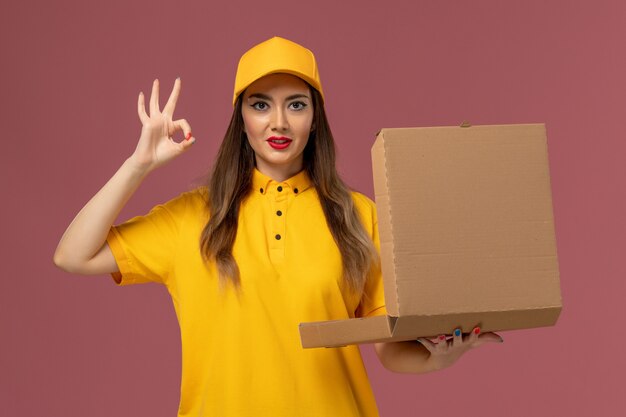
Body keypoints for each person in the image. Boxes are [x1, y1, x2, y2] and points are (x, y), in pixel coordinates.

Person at [54, 36, 502, 417]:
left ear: (315, 118)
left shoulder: (357, 216)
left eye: (296, 105)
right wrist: (138, 165)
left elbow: (389, 348)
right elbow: (72, 255)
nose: (279, 122)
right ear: (241, 118)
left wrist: (442, 357)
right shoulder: (193, 216)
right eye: (261, 104)